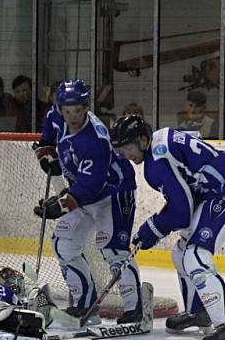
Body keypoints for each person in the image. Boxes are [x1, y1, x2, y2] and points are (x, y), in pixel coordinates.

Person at [109, 115, 225, 340]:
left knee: (195, 255)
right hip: (217, 185)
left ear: (142, 139)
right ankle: (199, 312)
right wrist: (154, 227)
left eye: (128, 148)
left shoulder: (155, 163)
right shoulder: (162, 138)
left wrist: (152, 229)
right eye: (121, 150)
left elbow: (182, 212)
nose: (127, 155)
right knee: (181, 253)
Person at [33, 79, 144, 325]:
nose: (73, 116)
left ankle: (135, 309)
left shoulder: (95, 140)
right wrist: (46, 152)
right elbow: (48, 134)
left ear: (86, 107)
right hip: (84, 194)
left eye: (79, 110)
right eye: (68, 110)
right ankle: (86, 305)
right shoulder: (56, 115)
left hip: (113, 194)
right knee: (64, 244)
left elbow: (90, 187)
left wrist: (59, 205)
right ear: (61, 107)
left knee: (113, 249)